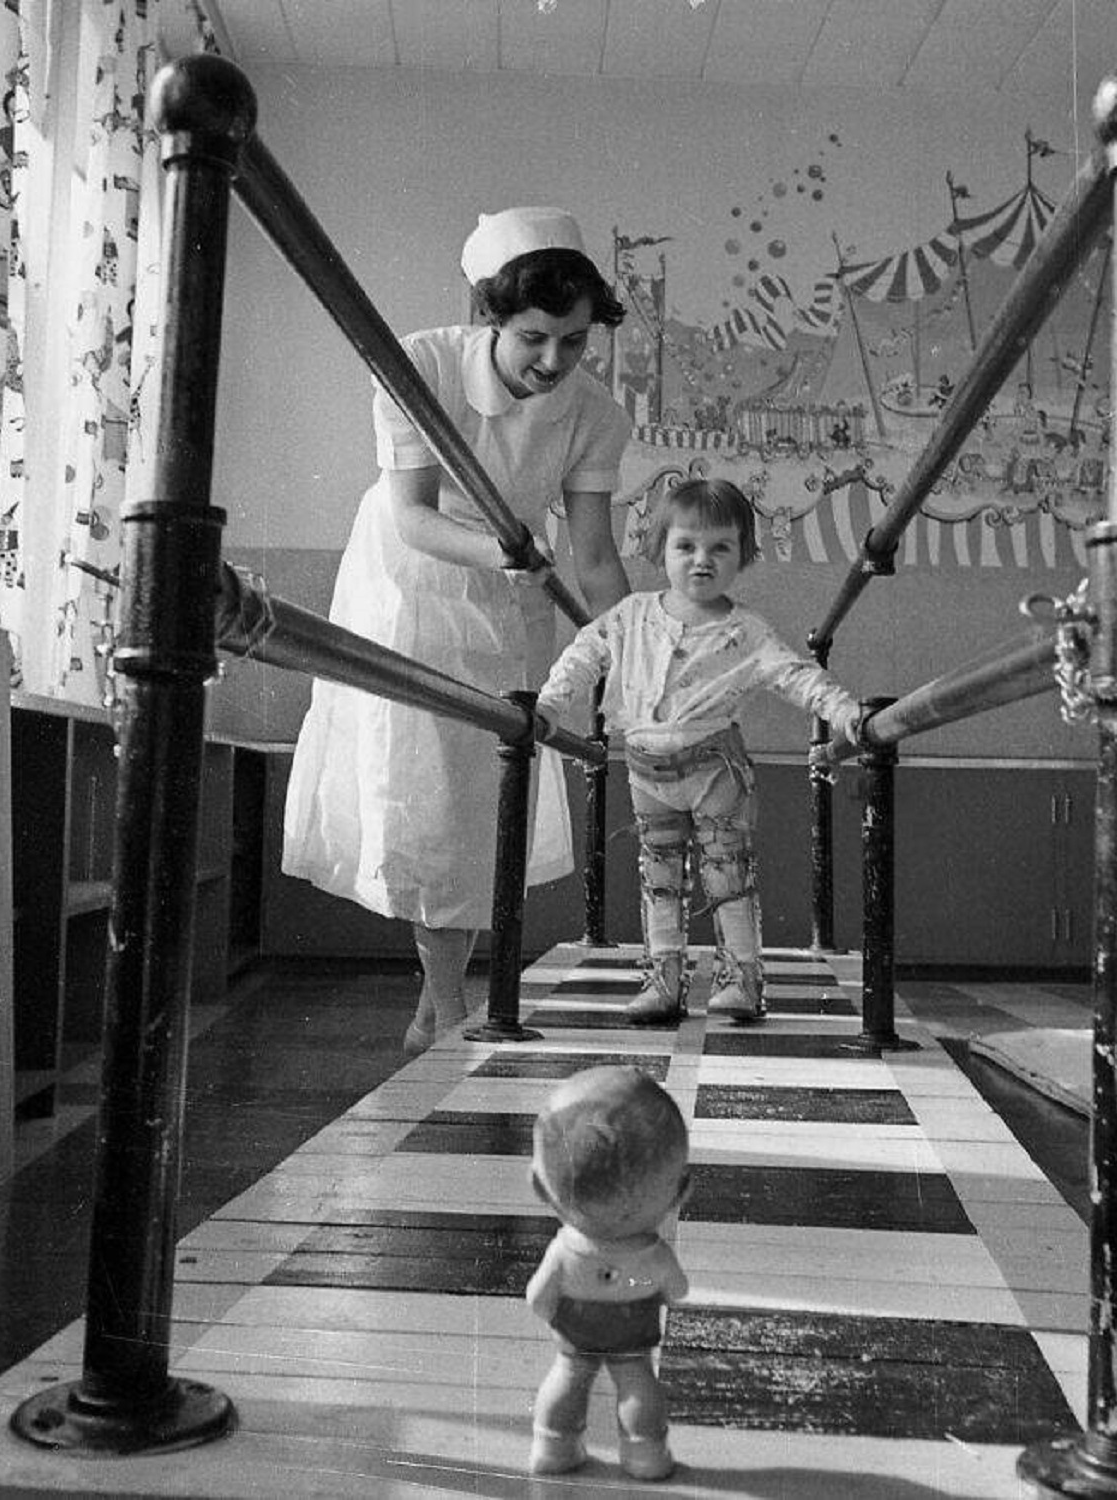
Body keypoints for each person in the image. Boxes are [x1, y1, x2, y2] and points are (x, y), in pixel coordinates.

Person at [283, 208, 632, 1054]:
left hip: (507, 599)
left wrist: (635, 648)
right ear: (492, 318)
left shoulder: (595, 414)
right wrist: (504, 548)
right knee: (426, 799)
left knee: (481, 803)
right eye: (536, 339)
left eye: (576, 342)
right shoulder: (418, 363)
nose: (555, 362)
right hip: (409, 584)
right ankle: (443, 1006)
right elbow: (410, 517)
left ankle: (438, 1008)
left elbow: (592, 556)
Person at [535, 476, 866, 1025]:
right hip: (646, 772)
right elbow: (581, 655)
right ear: (659, 548)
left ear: (744, 555)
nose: (701, 560)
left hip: (715, 770)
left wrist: (847, 713)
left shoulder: (747, 632)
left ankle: (742, 976)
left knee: (727, 874)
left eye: (720, 548)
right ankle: (664, 976)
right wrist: (549, 707)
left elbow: (799, 678)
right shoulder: (630, 616)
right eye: (685, 546)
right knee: (659, 875)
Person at [526, 1065, 691, 1481]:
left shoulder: (563, 1251)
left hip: (576, 1330)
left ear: (540, 1188)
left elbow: (538, 1299)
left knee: (566, 1377)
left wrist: (550, 1309)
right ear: (681, 1193)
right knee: (638, 1382)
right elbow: (678, 1290)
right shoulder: (654, 1255)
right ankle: (645, 1453)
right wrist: (663, 1289)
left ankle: (553, 1445)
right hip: (632, 1330)